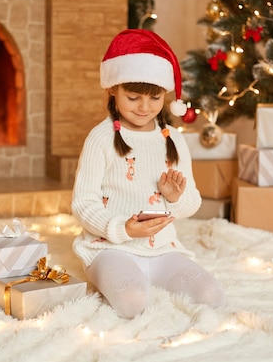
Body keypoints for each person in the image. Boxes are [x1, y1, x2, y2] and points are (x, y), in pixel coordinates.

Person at [71, 29, 226, 319]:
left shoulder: (174, 140)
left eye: (154, 98)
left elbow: (191, 203)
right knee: (133, 301)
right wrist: (124, 229)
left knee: (211, 296)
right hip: (109, 249)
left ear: (165, 95)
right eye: (132, 98)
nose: (144, 108)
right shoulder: (100, 138)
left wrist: (174, 198)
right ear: (112, 90)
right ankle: (125, 279)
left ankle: (149, 276)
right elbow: (83, 204)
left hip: (163, 250)